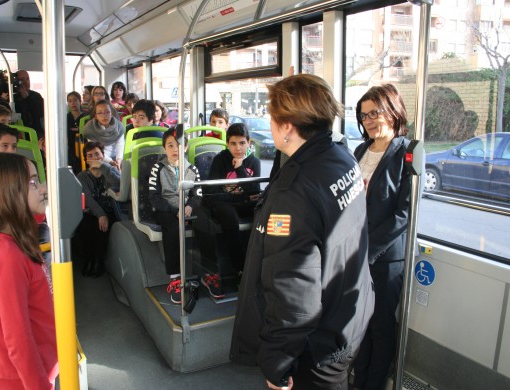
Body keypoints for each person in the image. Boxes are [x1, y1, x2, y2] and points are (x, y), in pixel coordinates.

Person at [230, 74, 374, 390]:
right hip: (348, 316)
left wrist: (277, 363)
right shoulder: (342, 158)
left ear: (287, 127)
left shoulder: (293, 192)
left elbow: (294, 289)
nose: (269, 124)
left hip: (316, 344)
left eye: (272, 117)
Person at [0, 152, 58, 389]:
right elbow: (17, 336)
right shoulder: (7, 254)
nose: (41, 188)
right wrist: (38, 385)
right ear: (8, 193)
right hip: (25, 376)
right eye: (33, 182)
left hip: (39, 365)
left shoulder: (20, 236)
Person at [351, 84, 413, 390]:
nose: (369, 120)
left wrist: (369, 251)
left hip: (385, 258)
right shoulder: (360, 150)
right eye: (364, 116)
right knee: (360, 324)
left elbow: (404, 213)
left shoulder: (408, 151)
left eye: (375, 112)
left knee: (381, 326)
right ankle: (358, 380)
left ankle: (373, 385)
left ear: (393, 109)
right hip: (355, 252)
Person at [148, 127, 202, 304]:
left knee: (206, 222)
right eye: (170, 145)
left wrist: (190, 206)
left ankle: (208, 272)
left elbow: (198, 193)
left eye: (179, 145)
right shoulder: (158, 168)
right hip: (165, 210)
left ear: (185, 147)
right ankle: (175, 277)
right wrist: (174, 210)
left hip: (185, 209)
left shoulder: (192, 169)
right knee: (172, 227)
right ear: (164, 148)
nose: (174, 149)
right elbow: (154, 197)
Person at [204, 122, 260, 286]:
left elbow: (254, 192)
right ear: (227, 144)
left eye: (242, 143)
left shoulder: (253, 162)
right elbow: (214, 192)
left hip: (239, 203)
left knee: (264, 210)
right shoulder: (220, 160)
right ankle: (240, 268)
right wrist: (241, 197)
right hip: (223, 205)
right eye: (233, 144)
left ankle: (259, 262)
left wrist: (241, 169)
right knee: (231, 219)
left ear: (248, 142)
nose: (238, 148)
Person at [75, 141, 120, 277]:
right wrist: (100, 214)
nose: (94, 158)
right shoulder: (82, 176)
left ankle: (99, 261)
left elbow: (119, 184)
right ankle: (89, 259)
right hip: (91, 211)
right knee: (85, 226)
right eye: (90, 156)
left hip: (109, 210)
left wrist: (104, 167)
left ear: (103, 156)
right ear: (86, 159)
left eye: (97, 154)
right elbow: (87, 198)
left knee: (102, 230)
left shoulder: (109, 170)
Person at [83, 99, 125, 168]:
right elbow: (95, 150)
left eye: (107, 112)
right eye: (100, 113)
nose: (104, 115)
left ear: (111, 113)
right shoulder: (90, 128)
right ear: (95, 116)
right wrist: (110, 162)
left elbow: (120, 145)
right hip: (99, 157)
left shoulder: (118, 126)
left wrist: (119, 160)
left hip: (117, 157)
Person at [13, 70, 45, 138]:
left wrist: (27, 98)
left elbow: (40, 112)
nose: (26, 82)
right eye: (22, 79)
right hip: (19, 133)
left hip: (36, 133)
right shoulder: (13, 98)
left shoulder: (36, 96)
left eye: (27, 78)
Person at [67, 91, 85, 174]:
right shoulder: (66, 118)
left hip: (83, 145)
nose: (72, 103)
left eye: (75, 100)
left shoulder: (86, 117)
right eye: (70, 101)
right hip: (70, 147)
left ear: (80, 101)